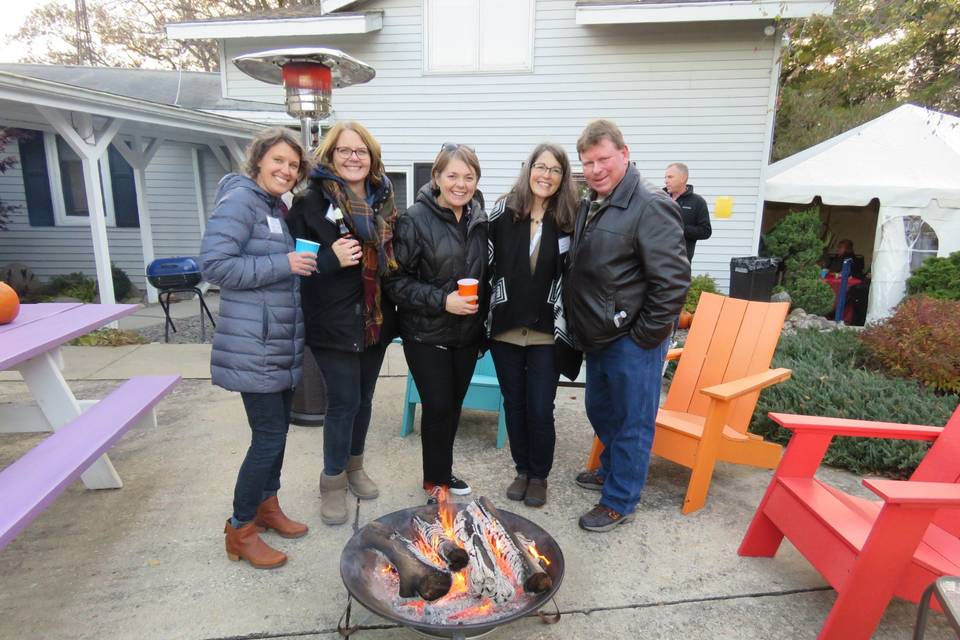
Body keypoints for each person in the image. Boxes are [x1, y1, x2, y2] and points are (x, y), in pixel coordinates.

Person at [200, 127, 316, 569]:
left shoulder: (273, 206)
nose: (286, 170)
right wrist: (282, 263)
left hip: (277, 343)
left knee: (276, 433)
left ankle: (268, 507)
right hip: (255, 345)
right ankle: (240, 528)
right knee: (267, 438)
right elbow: (214, 266)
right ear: (258, 161)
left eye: (292, 165)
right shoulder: (240, 202)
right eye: (278, 161)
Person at [566, 120, 690, 532]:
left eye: (604, 159)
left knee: (633, 419)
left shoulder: (651, 203)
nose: (597, 168)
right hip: (601, 335)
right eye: (588, 162)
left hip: (633, 338)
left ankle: (620, 499)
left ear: (624, 152)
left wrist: (644, 336)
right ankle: (612, 469)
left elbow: (671, 282)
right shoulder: (594, 200)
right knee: (601, 408)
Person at [286, 122, 399, 526]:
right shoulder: (309, 204)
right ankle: (332, 482)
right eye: (345, 151)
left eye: (361, 151)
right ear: (330, 156)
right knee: (343, 403)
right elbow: (299, 269)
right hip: (333, 324)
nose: (353, 158)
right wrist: (332, 258)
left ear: (372, 158)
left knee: (365, 400)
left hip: (376, 322)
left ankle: (355, 468)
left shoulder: (384, 200)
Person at [384, 144, 487, 502]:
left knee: (454, 407)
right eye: (453, 175)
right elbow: (396, 283)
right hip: (425, 334)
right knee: (438, 406)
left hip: (466, 334)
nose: (461, 184)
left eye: (468, 176)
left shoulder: (479, 217)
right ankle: (435, 481)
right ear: (437, 178)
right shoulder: (414, 219)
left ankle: (442, 472)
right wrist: (444, 301)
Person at [487, 143, 579, 508]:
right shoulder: (503, 211)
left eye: (555, 170)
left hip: (547, 328)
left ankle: (539, 475)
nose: (546, 175)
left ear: (563, 177)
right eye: (541, 167)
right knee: (514, 403)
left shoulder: (572, 217)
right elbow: (486, 261)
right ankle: (521, 469)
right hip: (507, 325)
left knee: (540, 406)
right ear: (528, 170)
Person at [664, 162, 712, 261]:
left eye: (670, 177)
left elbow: (706, 231)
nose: (666, 181)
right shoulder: (658, 198)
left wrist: (680, 229)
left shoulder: (698, 202)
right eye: (665, 177)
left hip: (681, 263)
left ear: (683, 178)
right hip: (656, 261)